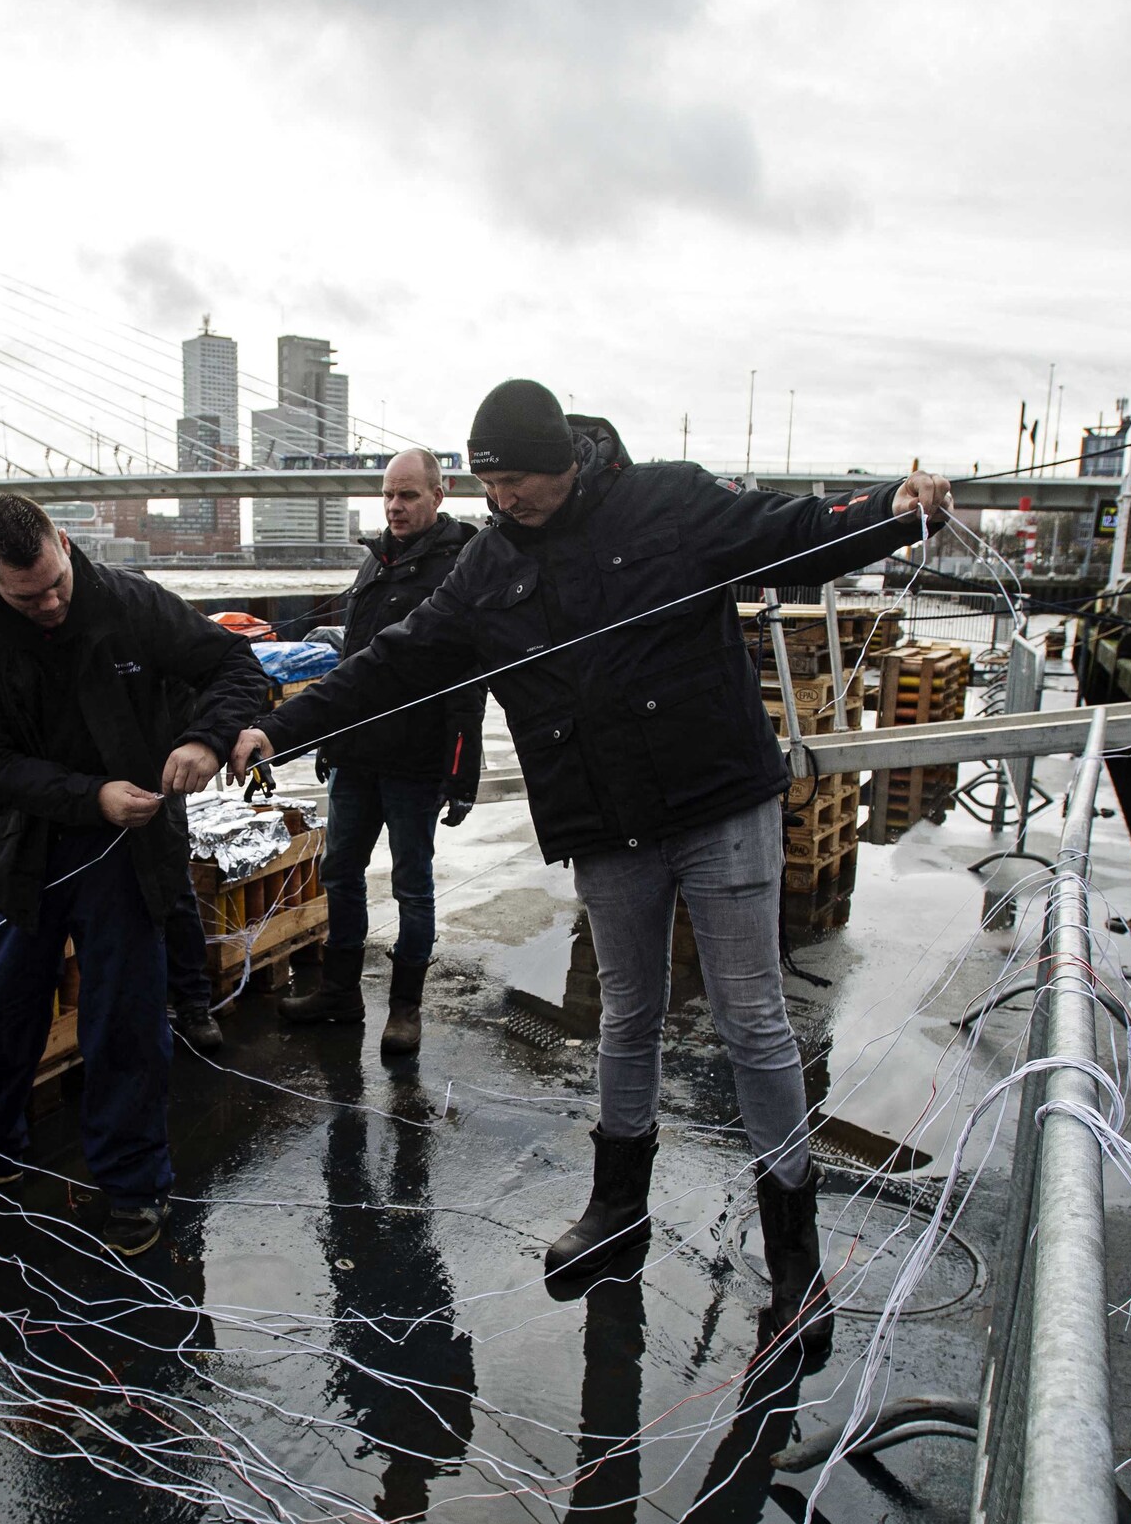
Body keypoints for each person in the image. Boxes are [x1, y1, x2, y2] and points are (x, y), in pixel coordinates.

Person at [235, 379, 951, 1354]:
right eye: (487, 484)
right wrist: (274, 728)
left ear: (565, 460)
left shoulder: (666, 500)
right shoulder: (485, 567)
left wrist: (888, 514)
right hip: (603, 823)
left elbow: (789, 533)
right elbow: (392, 661)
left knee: (751, 1020)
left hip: (715, 802)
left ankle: (793, 1252)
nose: (502, 500)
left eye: (518, 480)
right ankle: (617, 1208)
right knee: (626, 1014)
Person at [0, 495, 270, 1255]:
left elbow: (235, 667)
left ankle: (132, 1186)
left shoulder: (129, 603)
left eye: (56, 582)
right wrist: (90, 797)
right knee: (4, 1006)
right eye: (29, 595)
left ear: (62, 542)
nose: (51, 603)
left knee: (124, 1022)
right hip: (29, 845)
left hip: (128, 851)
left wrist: (206, 739)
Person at [278, 448, 485, 1057]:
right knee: (339, 872)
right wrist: (329, 739)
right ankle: (340, 995)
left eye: (409, 495)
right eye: (389, 495)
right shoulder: (374, 564)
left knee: (411, 885)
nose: (395, 506)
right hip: (356, 755)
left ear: (438, 495)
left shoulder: (458, 567)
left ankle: (404, 1009)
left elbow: (468, 677)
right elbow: (352, 664)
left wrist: (461, 770)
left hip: (416, 762)